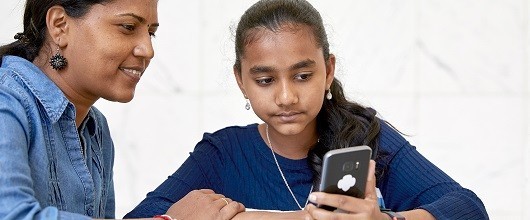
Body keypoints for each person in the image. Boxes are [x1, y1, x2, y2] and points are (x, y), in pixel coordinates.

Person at [125, 0, 489, 219]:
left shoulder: (367, 141)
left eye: (302, 75)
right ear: (241, 81)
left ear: (328, 70)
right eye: (265, 80)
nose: (286, 97)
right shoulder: (222, 155)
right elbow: (141, 218)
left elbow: (469, 209)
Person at [0, 0, 244, 219]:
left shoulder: (96, 129)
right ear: (60, 25)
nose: (147, 50)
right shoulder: (7, 102)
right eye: (128, 27)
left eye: (151, 33)